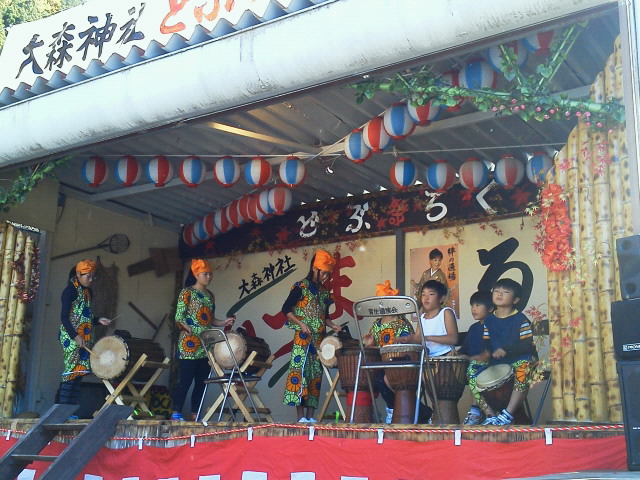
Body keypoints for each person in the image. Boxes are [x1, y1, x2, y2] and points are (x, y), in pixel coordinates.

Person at [171, 258, 235, 421]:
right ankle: (176, 412)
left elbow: (211, 319)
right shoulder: (187, 292)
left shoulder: (210, 296)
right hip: (190, 342)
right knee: (185, 380)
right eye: (205, 274)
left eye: (210, 274)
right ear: (196, 275)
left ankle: (195, 414)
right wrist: (186, 327)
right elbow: (179, 316)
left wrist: (224, 322)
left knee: (201, 381)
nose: (209, 277)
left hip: (206, 343)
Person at [282, 249, 341, 423]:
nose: (325, 277)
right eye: (324, 273)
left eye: (328, 274)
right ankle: (300, 417)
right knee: (300, 375)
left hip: (319, 340)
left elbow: (325, 316)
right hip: (302, 338)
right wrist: (301, 323)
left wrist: (333, 325)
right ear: (315, 269)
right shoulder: (300, 286)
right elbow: (285, 309)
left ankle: (310, 416)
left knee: (316, 376)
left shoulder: (324, 292)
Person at [478, 278, 538, 426]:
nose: (499, 294)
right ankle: (490, 415)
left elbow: (528, 344)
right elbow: (486, 341)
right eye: (496, 291)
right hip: (498, 362)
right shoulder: (489, 320)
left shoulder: (521, 319)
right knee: (472, 371)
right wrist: (485, 353)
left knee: (522, 368)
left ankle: (508, 414)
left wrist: (505, 349)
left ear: (516, 299)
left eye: (505, 292)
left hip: (521, 358)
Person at [57, 260, 111, 408]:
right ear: (78, 274)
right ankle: (62, 410)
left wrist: (98, 320)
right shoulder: (69, 292)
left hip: (84, 338)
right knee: (71, 373)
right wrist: (75, 336)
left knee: (79, 374)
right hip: (71, 337)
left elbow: (84, 316)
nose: (91, 280)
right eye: (88, 276)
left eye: (93, 277)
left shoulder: (88, 292)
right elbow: (64, 318)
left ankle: (71, 410)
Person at [362, 280, 414, 423]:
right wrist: (369, 344)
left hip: (399, 364)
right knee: (376, 377)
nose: (382, 305)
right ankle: (396, 410)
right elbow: (374, 346)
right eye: (379, 302)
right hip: (380, 364)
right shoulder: (376, 324)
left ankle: (392, 409)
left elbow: (407, 345)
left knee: (381, 378)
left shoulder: (402, 323)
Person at [457, 290, 494, 425]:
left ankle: (476, 411)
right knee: (471, 369)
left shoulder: (493, 325)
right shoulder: (473, 328)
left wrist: (480, 357)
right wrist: (457, 353)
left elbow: (491, 350)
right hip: (474, 365)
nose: (473, 309)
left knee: (473, 370)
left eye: (478, 305)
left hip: (489, 365)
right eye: (472, 305)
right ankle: (477, 411)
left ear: (490, 308)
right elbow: (465, 348)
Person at [405, 280, 459, 356]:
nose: (426, 298)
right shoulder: (422, 318)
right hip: (427, 357)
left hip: (445, 354)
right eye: (423, 295)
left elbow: (453, 339)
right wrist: (408, 339)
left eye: (431, 294)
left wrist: (427, 338)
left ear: (441, 298)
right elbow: (417, 339)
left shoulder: (446, 312)